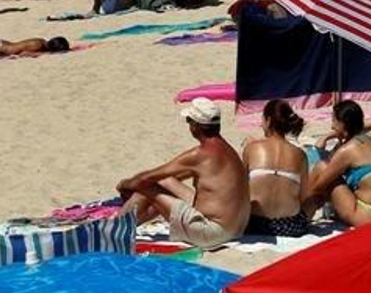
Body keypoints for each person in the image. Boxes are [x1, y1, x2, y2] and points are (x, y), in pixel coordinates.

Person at [118, 98, 250, 247]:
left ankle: (116, 226)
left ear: (196, 126)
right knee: (164, 182)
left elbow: (146, 179)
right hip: (236, 229)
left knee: (146, 185)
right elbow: (169, 177)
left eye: (189, 120)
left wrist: (124, 185)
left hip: (212, 233)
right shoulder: (229, 151)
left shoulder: (200, 155)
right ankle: (127, 222)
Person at [308, 100, 371, 226]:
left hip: (370, 216)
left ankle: (303, 215)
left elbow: (318, 187)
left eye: (334, 121)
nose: (332, 127)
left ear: (343, 123)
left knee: (321, 167)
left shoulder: (348, 149)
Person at [242, 99, 311, 237]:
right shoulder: (300, 155)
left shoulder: (251, 148)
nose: (261, 124)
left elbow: (241, 189)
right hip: (290, 226)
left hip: (253, 223)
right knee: (315, 199)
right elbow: (304, 197)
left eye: (262, 120)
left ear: (268, 121)